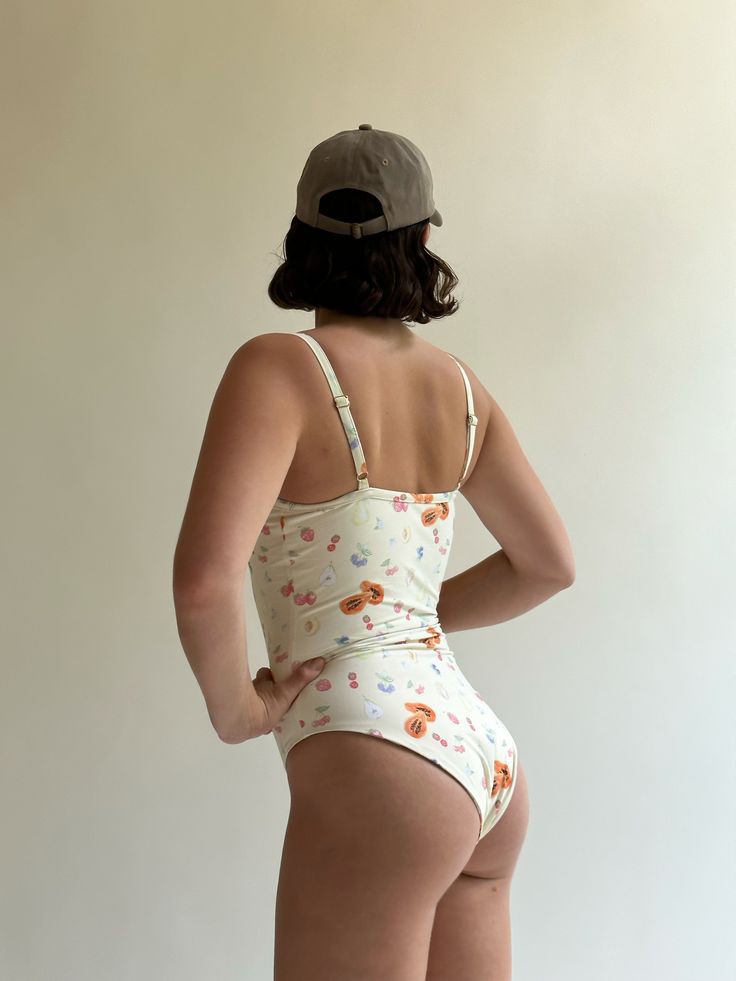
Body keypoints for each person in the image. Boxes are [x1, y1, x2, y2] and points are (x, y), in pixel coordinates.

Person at [173, 124, 575, 981]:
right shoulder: (462, 390)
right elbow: (548, 564)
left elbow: (205, 581)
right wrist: (406, 621)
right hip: (479, 756)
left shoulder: (279, 368)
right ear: (422, 238)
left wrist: (236, 709)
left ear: (300, 237)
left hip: (381, 763)